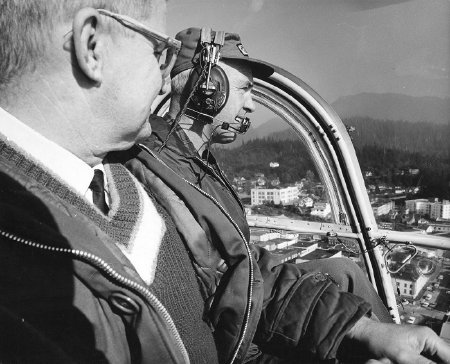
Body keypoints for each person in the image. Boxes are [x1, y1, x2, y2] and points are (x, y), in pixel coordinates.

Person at [125, 27, 450, 363]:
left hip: (240, 313)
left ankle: (392, 340)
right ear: (208, 89)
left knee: (344, 270)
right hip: (232, 343)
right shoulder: (165, 173)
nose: (251, 105)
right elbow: (233, 278)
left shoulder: (191, 161)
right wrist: (357, 330)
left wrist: (357, 325)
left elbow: (239, 262)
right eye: (244, 90)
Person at [0, 3, 220, 363]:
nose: (166, 80)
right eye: (160, 52)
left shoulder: (132, 165)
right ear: (92, 45)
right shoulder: (16, 289)